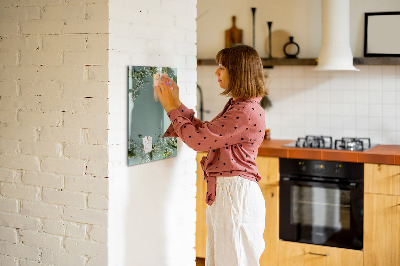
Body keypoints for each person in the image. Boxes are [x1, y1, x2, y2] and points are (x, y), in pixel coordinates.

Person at [155, 44, 267, 266]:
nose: (217, 73)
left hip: (235, 197)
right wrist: (177, 104)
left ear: (238, 72)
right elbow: (206, 133)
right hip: (230, 195)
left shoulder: (244, 111)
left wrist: (170, 108)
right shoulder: (240, 106)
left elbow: (198, 141)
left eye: (222, 67)